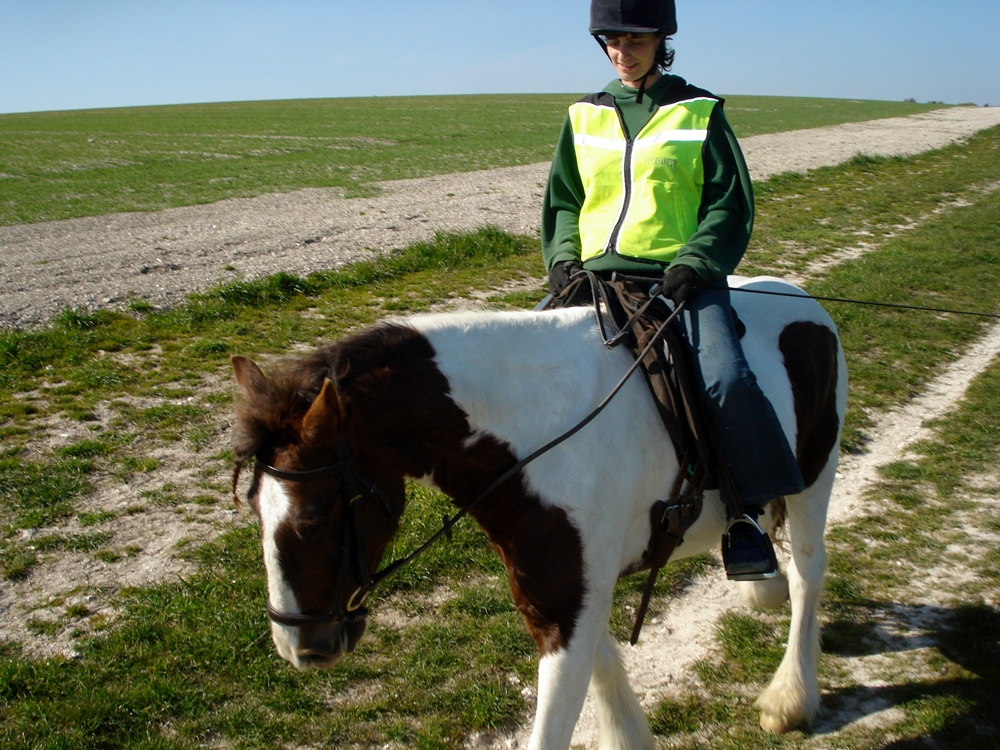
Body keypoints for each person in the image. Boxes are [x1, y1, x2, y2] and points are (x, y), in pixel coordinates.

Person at [541, 0, 805, 580]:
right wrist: (562, 258)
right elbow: (564, 200)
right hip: (595, 279)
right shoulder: (584, 115)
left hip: (680, 281)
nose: (622, 51)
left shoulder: (698, 111)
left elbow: (728, 203)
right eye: (612, 40)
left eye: (635, 39)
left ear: (662, 40)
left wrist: (696, 261)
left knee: (725, 378)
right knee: (527, 371)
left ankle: (746, 516)